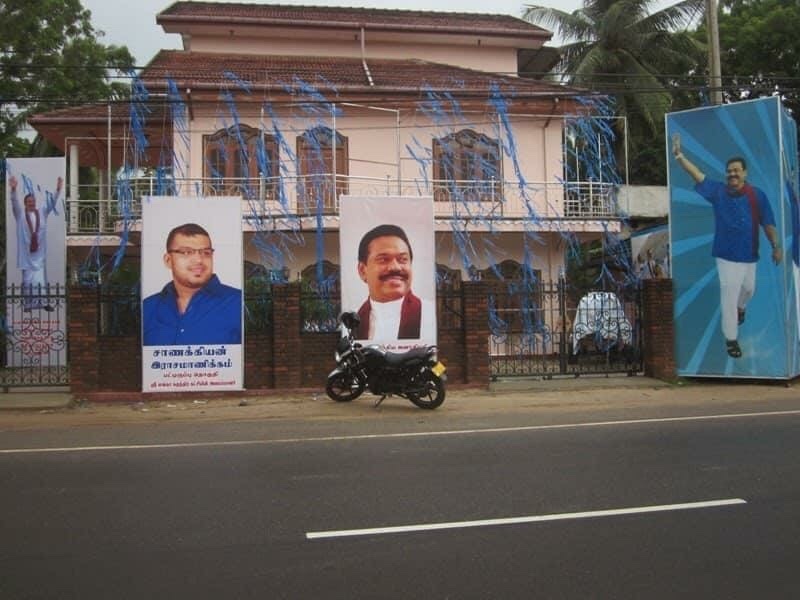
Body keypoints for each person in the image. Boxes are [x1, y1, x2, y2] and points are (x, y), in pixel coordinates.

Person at [672, 133, 782, 359]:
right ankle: (731, 339)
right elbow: (698, 176)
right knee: (728, 296)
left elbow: (768, 223)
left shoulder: (757, 195)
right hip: (725, 256)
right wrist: (680, 157)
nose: (732, 173)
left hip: (750, 254)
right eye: (729, 170)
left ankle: (741, 309)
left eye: (736, 170)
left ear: (744, 173)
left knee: (749, 289)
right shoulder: (718, 191)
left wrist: (776, 246)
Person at [142, 223, 242, 345]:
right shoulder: (148, 307)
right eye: (186, 252)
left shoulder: (238, 303)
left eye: (206, 253)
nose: (199, 260)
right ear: (168, 260)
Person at [354, 223, 433, 343]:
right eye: (383, 259)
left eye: (403, 260)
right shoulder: (353, 322)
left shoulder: (429, 315)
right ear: (362, 270)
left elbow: (438, 358)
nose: (395, 267)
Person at [9, 174, 62, 312]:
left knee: (40, 281)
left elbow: (51, 203)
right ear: (25, 203)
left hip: (38, 254)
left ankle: (44, 303)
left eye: (33, 201)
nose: (31, 203)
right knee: (27, 282)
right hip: (26, 255)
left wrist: (57, 190)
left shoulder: (42, 212)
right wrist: (13, 190)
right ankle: (28, 305)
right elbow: (14, 203)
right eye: (29, 201)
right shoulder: (20, 215)